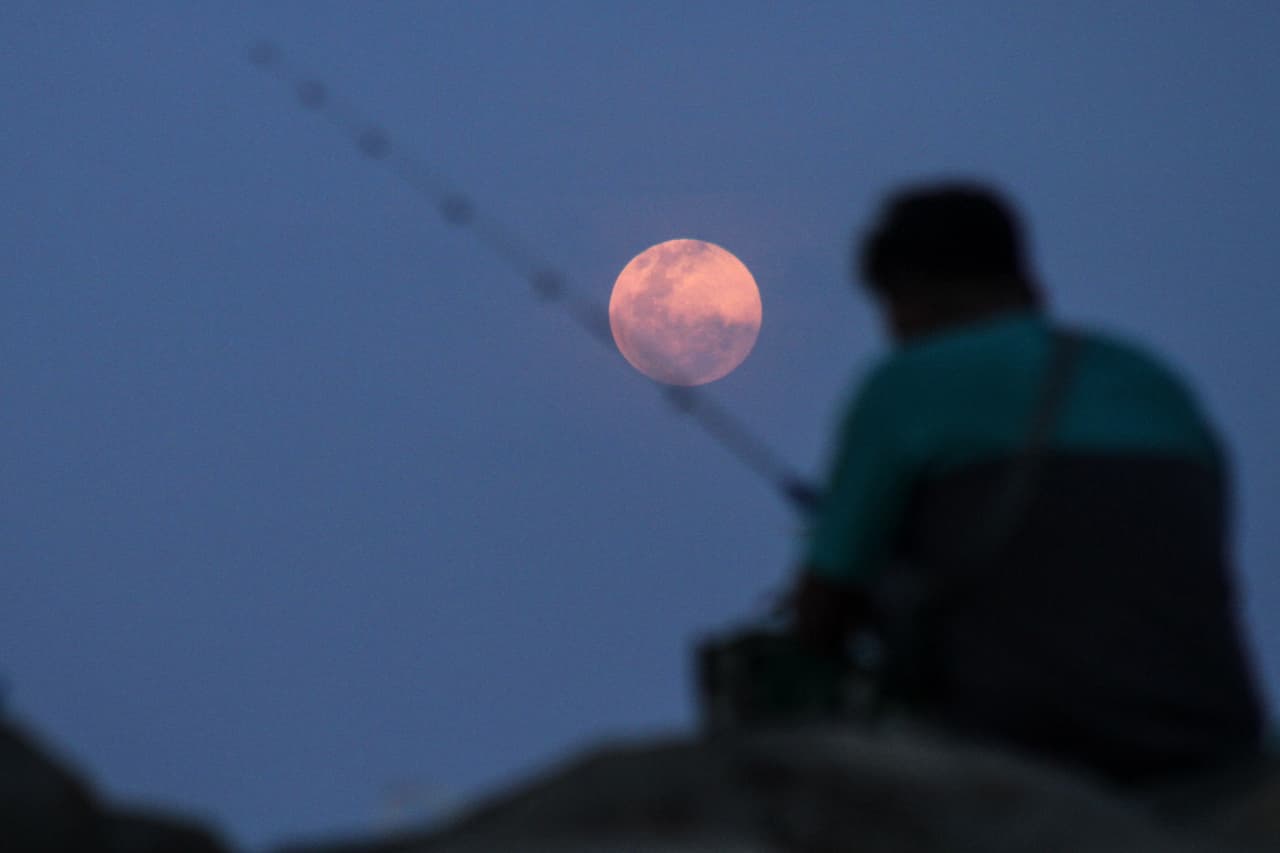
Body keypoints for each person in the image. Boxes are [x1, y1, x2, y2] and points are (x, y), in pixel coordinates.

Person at [787, 181, 1265, 786]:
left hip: (1027, 751)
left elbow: (822, 613)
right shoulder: (1150, 383)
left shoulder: (907, 385)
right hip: (1213, 742)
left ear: (908, 292)